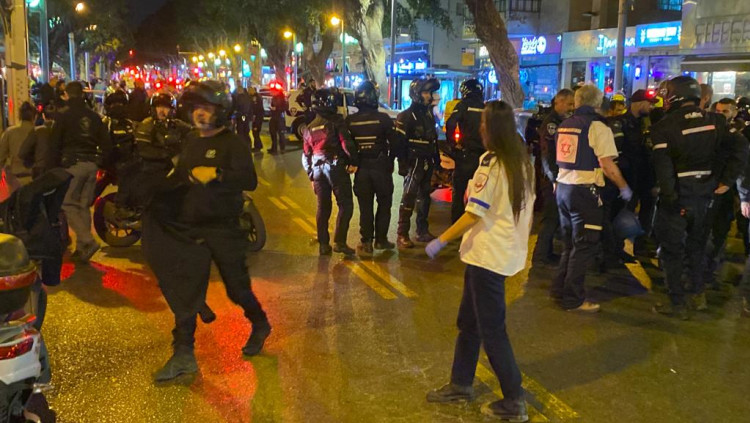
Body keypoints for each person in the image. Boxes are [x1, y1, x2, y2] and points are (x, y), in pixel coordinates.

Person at [142, 80, 270, 383]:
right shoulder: (191, 141)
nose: (200, 114)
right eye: (197, 108)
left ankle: (260, 322)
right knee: (185, 290)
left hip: (224, 229)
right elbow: (179, 177)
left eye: (207, 108)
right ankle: (183, 354)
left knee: (236, 289)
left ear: (220, 111)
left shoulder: (233, 143)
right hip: (191, 230)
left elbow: (249, 180)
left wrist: (217, 174)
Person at [424, 101, 535, 423]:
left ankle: (513, 399)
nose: (480, 128)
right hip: (500, 254)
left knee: (492, 330)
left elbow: (474, 212)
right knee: (470, 323)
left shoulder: (493, 164)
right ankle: (461, 384)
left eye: (484, 124)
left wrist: (441, 240)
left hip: (487, 257)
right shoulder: (521, 162)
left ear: (491, 129)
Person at [651, 76, 743, 320]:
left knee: (672, 252)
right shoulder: (716, 121)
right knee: (698, 247)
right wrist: (726, 180)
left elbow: (663, 169)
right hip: (705, 196)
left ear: (674, 95)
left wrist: (670, 199)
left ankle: (677, 302)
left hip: (678, 197)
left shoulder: (664, 126)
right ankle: (698, 294)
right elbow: (741, 148)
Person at [551, 84, 632, 312]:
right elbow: (607, 165)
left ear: (577, 101)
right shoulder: (598, 126)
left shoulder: (565, 125)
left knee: (570, 244)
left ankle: (559, 289)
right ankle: (573, 299)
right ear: (598, 103)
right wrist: (624, 187)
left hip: (563, 188)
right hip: (585, 191)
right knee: (584, 245)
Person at [51, 81, 111, 263]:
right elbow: (106, 143)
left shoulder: (63, 116)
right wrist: (101, 162)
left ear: (67, 95)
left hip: (72, 165)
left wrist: (53, 168)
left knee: (68, 203)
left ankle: (87, 240)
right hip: (91, 164)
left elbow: (55, 144)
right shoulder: (94, 117)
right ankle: (82, 248)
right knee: (83, 206)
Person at [601, 89, 657, 267]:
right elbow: (614, 155)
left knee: (635, 216)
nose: (651, 107)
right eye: (649, 103)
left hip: (642, 179)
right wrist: (620, 183)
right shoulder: (619, 123)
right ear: (639, 103)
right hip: (624, 180)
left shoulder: (647, 124)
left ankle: (628, 249)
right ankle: (611, 253)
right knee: (616, 216)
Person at [302, 87, 358, 256]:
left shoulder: (309, 127)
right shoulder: (336, 121)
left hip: (317, 169)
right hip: (335, 167)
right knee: (346, 205)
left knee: (323, 207)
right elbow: (346, 143)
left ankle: (323, 244)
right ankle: (339, 242)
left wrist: (311, 176)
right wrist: (354, 162)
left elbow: (306, 155)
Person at [702, 98, 749, 291]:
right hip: (709, 189)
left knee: (719, 232)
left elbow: (741, 166)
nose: (721, 115)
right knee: (705, 232)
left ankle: (711, 268)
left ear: (734, 112)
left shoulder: (737, 138)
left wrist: (738, 191)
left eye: (725, 111)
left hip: (725, 192)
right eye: (718, 111)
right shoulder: (709, 133)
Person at [346, 81, 399, 256]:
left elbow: (346, 146)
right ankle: (381, 240)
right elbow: (395, 143)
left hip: (362, 170)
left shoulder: (350, 121)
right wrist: (390, 161)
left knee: (365, 207)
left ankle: (366, 242)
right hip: (381, 168)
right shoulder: (383, 119)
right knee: (384, 204)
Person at [395, 77, 441, 248]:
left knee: (425, 197)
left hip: (427, 161)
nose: (429, 96)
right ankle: (402, 233)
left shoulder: (428, 115)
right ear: (416, 93)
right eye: (425, 92)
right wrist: (402, 165)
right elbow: (399, 144)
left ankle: (422, 231)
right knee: (409, 197)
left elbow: (433, 140)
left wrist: (437, 161)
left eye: (430, 92)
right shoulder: (406, 116)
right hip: (414, 162)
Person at [532, 89, 575, 266]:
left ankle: (546, 252)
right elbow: (547, 153)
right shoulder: (552, 123)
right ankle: (541, 255)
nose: (572, 108)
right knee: (551, 217)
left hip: (556, 176)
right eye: (569, 104)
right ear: (559, 102)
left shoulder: (561, 121)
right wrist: (554, 178)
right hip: (552, 178)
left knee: (554, 216)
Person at [132, 92, 191, 212]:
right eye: (159, 106)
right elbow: (143, 150)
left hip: (173, 168)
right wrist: (166, 154)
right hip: (152, 169)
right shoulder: (147, 125)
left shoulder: (175, 124)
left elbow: (193, 132)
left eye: (166, 107)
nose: (162, 110)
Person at [445, 79, 486, 224]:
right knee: (481, 193)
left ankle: (457, 225)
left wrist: (452, 145)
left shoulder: (463, 105)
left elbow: (450, 123)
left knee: (459, 192)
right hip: (484, 158)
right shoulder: (486, 107)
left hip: (466, 155)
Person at [101, 90, 138, 214]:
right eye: (114, 104)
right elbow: (105, 145)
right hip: (114, 161)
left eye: (121, 104)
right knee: (126, 174)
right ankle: (120, 206)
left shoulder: (129, 123)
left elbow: (135, 142)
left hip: (128, 160)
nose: (118, 107)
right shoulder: (107, 123)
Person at [0, 102, 37, 185]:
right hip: (34, 177)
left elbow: (1, 157)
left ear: (19, 116)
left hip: (14, 178)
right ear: (34, 117)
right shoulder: (38, 132)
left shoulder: (9, 132)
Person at [19, 104, 59, 180]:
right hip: (58, 170)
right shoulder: (61, 131)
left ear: (43, 116)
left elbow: (22, 153)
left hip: (40, 169)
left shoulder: (38, 131)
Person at [268, 86, 287, 153]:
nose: (271, 92)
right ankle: (274, 148)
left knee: (281, 134)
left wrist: (276, 109)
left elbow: (285, 107)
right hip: (274, 117)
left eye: (272, 91)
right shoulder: (274, 98)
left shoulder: (282, 98)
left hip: (279, 117)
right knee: (272, 133)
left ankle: (282, 148)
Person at [248, 86, 265, 151]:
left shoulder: (256, 97)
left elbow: (257, 109)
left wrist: (254, 116)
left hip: (257, 117)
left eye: (249, 91)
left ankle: (258, 146)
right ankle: (258, 146)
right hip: (256, 117)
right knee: (255, 132)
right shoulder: (254, 96)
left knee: (256, 131)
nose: (249, 92)